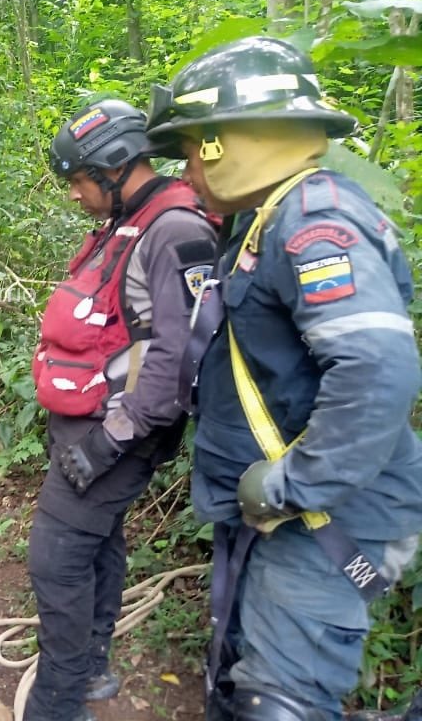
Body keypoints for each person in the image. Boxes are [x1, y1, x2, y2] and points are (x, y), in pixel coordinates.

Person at [144, 36, 422, 721]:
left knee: (280, 701)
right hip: (293, 515)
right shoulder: (264, 220)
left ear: (221, 142)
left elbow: (377, 369)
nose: (185, 167)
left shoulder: (314, 221)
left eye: (190, 148)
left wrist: (289, 484)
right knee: (243, 684)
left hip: (328, 518)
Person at [26, 101, 218, 721]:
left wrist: (109, 442)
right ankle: (91, 671)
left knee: (56, 558)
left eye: (79, 181)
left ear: (112, 167)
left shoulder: (176, 231)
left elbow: (179, 354)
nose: (76, 196)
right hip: (86, 422)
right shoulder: (124, 221)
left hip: (116, 433)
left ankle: (57, 701)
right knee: (96, 542)